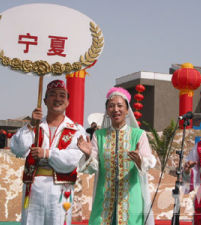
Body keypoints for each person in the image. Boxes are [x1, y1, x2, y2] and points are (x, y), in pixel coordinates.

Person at [10, 80, 86, 225]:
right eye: (52, 95)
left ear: (68, 101)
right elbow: (18, 149)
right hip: (34, 187)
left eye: (62, 95)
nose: (57, 99)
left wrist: (47, 154)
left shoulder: (76, 129)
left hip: (61, 189)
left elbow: (73, 159)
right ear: (44, 100)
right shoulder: (35, 125)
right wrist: (31, 124)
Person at [77, 87, 156, 225]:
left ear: (127, 110)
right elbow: (92, 168)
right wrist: (89, 154)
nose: (115, 109)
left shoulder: (139, 135)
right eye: (111, 106)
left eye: (120, 105)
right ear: (107, 111)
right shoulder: (99, 136)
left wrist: (140, 161)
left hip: (131, 200)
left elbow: (149, 162)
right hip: (104, 201)